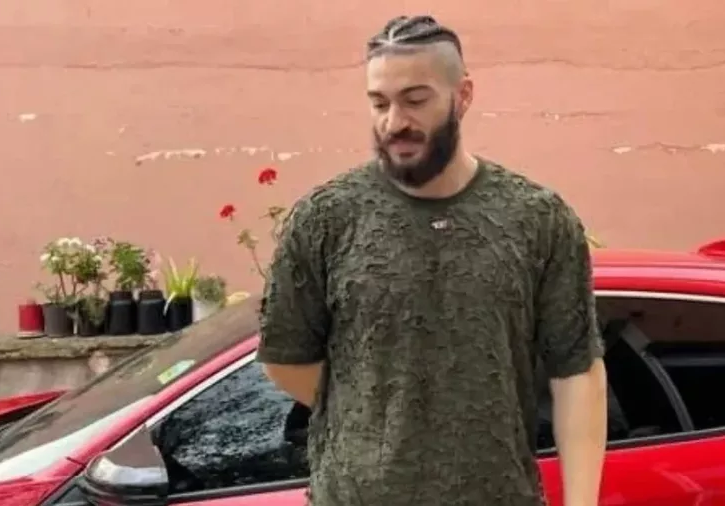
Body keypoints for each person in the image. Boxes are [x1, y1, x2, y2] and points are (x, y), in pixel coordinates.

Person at [258, 15, 607, 506]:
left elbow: (577, 371)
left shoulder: (538, 219)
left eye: (416, 100)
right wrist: (375, 411)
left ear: (462, 95)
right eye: (380, 103)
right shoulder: (325, 218)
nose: (394, 122)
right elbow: (284, 358)